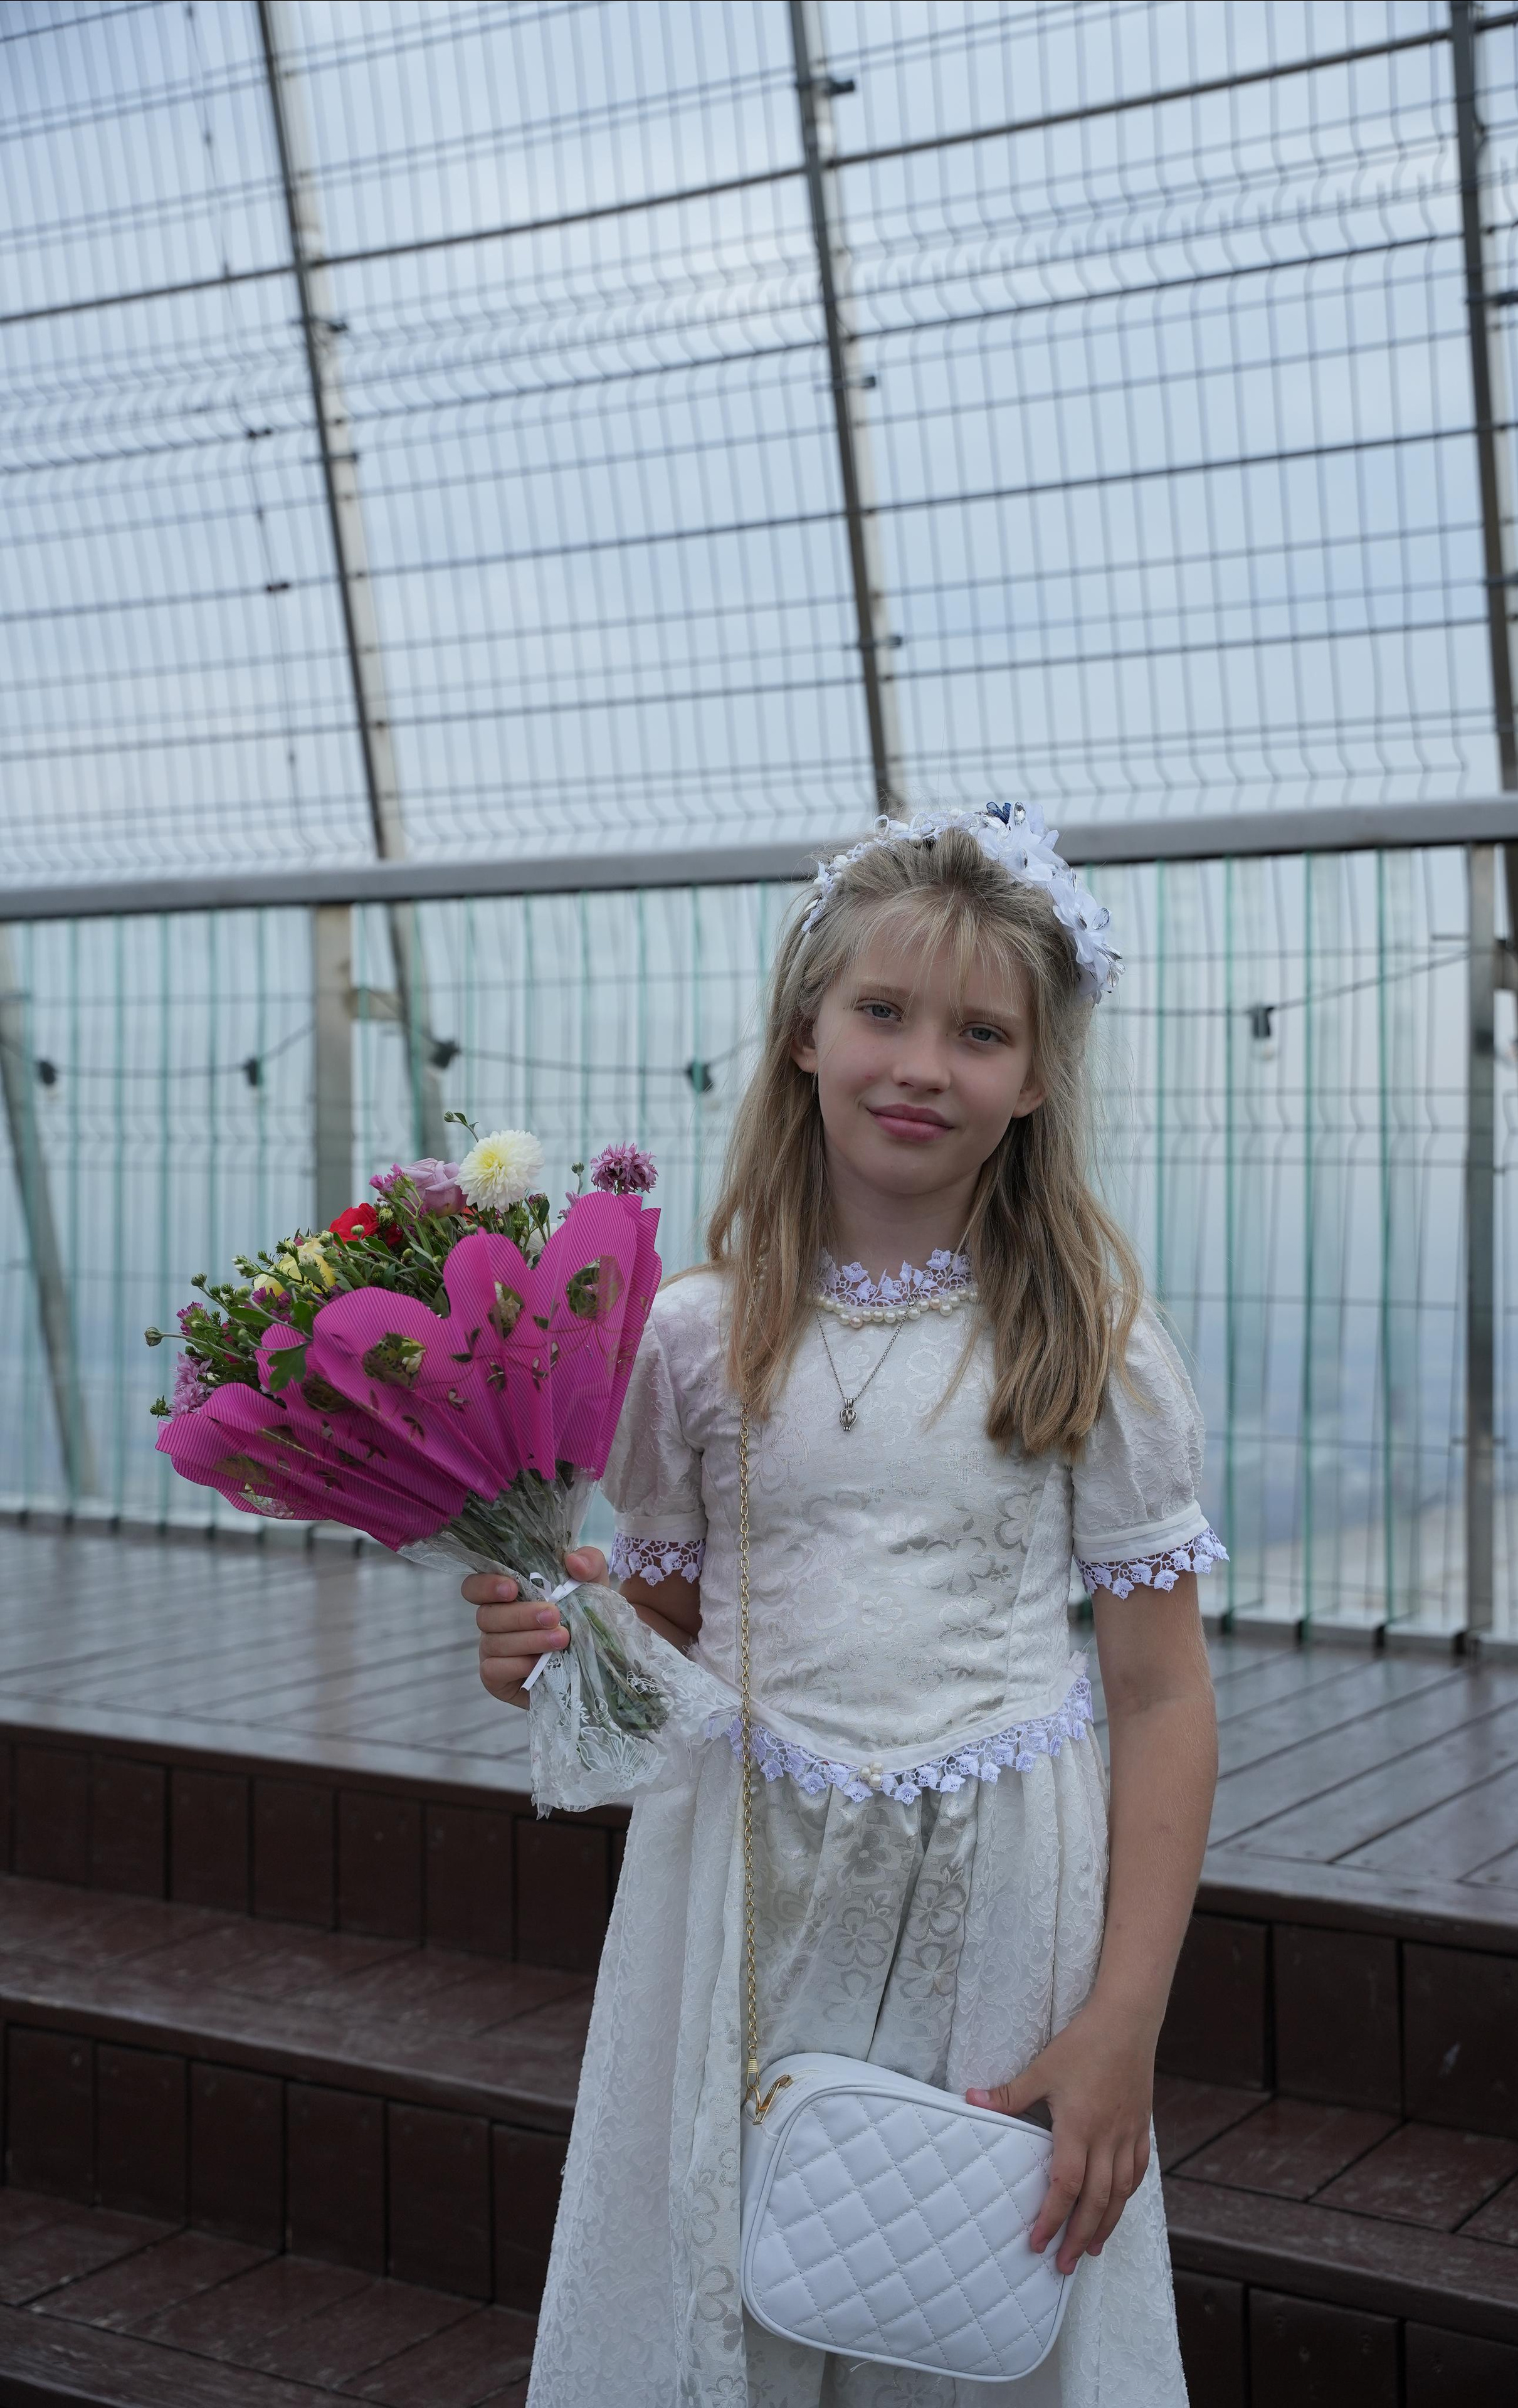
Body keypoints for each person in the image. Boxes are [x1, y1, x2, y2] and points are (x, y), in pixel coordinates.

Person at [466, 807, 1223, 2406]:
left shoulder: (1091, 1344)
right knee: (728, 2271)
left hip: (1001, 1893)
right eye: (882, 1011)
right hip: (741, 1884)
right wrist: (556, 1646)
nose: (920, 1065)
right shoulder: (689, 1338)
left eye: (978, 1033)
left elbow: (1160, 1695)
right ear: (802, 1031)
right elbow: (655, 1643)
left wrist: (1123, 2025)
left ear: (1031, 1080)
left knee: (960, 2285)